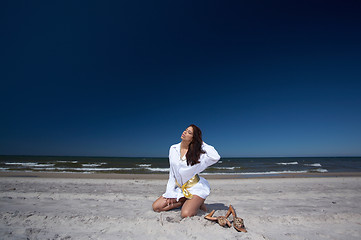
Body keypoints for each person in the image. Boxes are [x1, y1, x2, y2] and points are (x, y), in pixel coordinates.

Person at [152, 124, 220, 218]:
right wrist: (170, 192)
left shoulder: (198, 154)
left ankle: (198, 201)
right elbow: (172, 173)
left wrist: (201, 142)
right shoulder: (173, 148)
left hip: (195, 188)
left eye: (189, 132)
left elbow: (215, 157)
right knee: (157, 207)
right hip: (181, 189)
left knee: (185, 214)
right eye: (185, 130)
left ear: (193, 138)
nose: (185, 132)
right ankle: (186, 201)